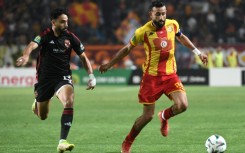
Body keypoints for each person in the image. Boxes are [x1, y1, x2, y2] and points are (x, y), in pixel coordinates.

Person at [99, 1, 208, 153]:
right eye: (158, 14)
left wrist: (198, 52)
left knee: (182, 105)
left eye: (163, 13)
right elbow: (127, 49)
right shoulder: (142, 31)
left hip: (170, 75)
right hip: (151, 78)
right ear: (151, 14)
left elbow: (181, 38)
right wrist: (110, 64)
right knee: (147, 116)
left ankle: (164, 116)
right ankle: (128, 140)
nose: (161, 17)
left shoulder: (173, 25)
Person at [16, 8, 96, 153]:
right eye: (62, 22)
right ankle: (38, 101)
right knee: (42, 116)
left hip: (63, 76)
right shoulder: (45, 35)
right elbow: (32, 45)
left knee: (69, 101)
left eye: (67, 21)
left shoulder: (71, 38)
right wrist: (26, 56)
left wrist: (91, 76)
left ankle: (62, 141)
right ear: (53, 22)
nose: (66, 24)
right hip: (45, 79)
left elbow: (83, 57)